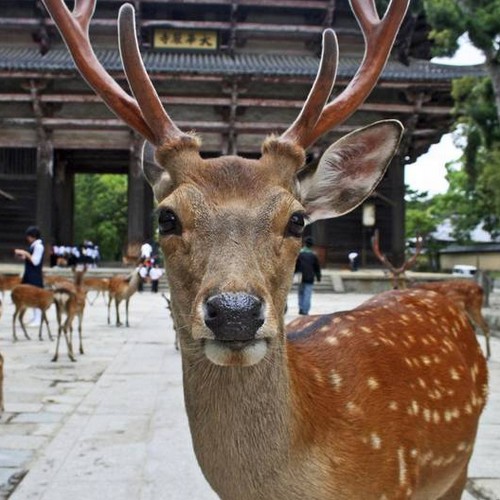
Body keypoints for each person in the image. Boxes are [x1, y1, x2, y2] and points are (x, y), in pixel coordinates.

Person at [14, 226, 45, 326]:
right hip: (30, 273)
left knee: (36, 296)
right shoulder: (34, 246)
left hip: (35, 275)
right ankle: (35, 317)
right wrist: (23, 257)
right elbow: (30, 258)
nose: (27, 238)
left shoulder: (39, 246)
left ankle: (38, 319)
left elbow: (35, 262)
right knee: (30, 296)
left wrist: (25, 253)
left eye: (29, 236)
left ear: (33, 236)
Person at [294, 236, 321, 315]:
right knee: (307, 294)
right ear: (311, 245)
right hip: (310, 277)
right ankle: (305, 310)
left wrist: (294, 274)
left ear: (305, 244)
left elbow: (296, 265)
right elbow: (317, 267)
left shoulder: (300, 254)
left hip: (300, 277)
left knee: (300, 293)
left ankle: (301, 308)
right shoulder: (313, 255)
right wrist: (318, 277)